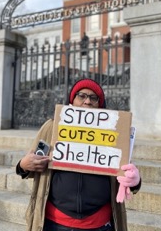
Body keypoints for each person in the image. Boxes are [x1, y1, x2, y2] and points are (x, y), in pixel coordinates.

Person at [16, 78, 141, 231]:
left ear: (100, 105)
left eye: (94, 97)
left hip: (99, 224)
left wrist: (134, 180)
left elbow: (126, 173)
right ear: (71, 101)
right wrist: (23, 165)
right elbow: (29, 164)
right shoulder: (52, 127)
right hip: (54, 222)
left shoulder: (113, 133)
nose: (87, 101)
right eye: (81, 96)